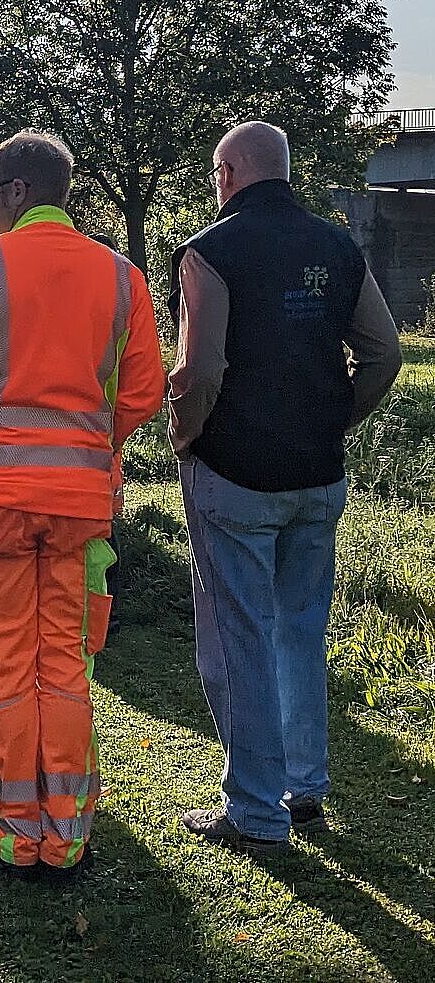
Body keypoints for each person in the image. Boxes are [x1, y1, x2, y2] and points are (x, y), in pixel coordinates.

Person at [0, 132, 164, 881]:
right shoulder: (121, 276)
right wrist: (89, 448)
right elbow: (143, 392)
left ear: (16, 192)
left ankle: (21, 839)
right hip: (80, 507)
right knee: (67, 668)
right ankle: (69, 837)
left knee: (7, 668)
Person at [169, 121, 400, 854]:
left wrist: (186, 437)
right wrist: (336, 420)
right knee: (300, 635)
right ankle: (305, 789)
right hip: (318, 474)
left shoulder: (209, 251)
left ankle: (255, 813)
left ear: (228, 173)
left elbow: (200, 372)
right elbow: (385, 353)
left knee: (236, 641)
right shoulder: (338, 246)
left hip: (234, 473)